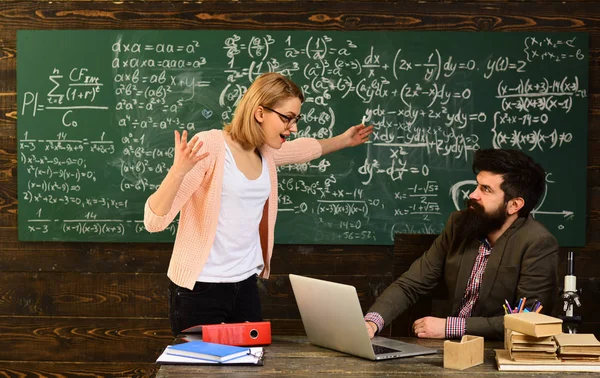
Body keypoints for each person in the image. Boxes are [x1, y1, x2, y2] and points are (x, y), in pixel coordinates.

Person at [144, 72, 373, 335]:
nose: (294, 127)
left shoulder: (266, 152)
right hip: (199, 291)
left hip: (245, 288)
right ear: (260, 112)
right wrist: (178, 172)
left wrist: (345, 140)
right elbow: (154, 222)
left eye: (296, 119)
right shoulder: (210, 147)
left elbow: (305, 150)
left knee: (249, 370)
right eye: (287, 118)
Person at [364, 148, 559, 340]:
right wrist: (372, 323)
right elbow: (411, 284)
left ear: (514, 205)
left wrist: (450, 327)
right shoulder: (459, 225)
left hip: (497, 353)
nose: (473, 195)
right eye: (477, 185)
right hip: (447, 349)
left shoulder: (538, 243)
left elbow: (528, 321)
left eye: (486, 189)